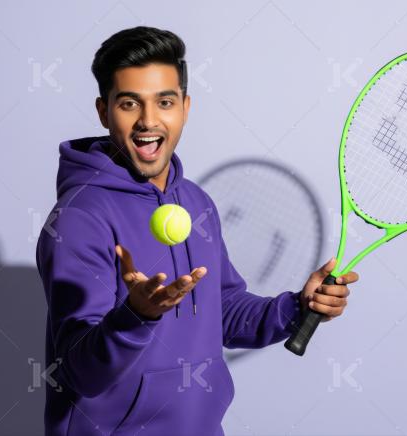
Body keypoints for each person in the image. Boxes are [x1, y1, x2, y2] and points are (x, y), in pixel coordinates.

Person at [35, 26, 359, 436]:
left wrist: (297, 307)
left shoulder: (195, 203)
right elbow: (78, 372)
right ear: (104, 112)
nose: (148, 121)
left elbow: (224, 312)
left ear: (185, 107)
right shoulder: (79, 218)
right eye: (129, 103)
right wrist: (136, 316)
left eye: (165, 102)